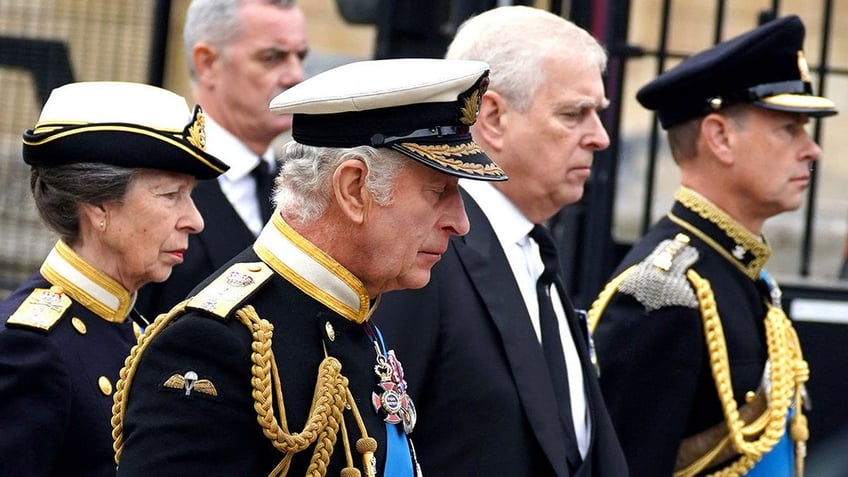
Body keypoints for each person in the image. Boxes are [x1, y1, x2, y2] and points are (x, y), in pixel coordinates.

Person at [111, 58, 507, 476]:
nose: (460, 223)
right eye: (438, 191)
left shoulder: (353, 314)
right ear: (354, 188)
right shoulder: (215, 342)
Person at [372, 6, 628, 476]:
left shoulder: (532, 248)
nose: (600, 138)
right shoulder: (424, 253)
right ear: (491, 117)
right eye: (574, 114)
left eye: (599, 113)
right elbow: (380, 444)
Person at [587, 15, 837, 477]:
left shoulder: (739, 272)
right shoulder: (665, 293)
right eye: (789, 129)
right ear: (720, 137)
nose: (811, 149)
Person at [0, 81, 228, 476]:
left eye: (190, 195)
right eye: (170, 195)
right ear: (98, 206)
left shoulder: (133, 326)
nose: (195, 220)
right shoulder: (30, 346)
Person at [135, 0, 309, 319]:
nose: (295, 75)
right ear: (208, 64)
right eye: (272, 57)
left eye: (301, 56)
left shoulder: (302, 186)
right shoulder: (151, 184)